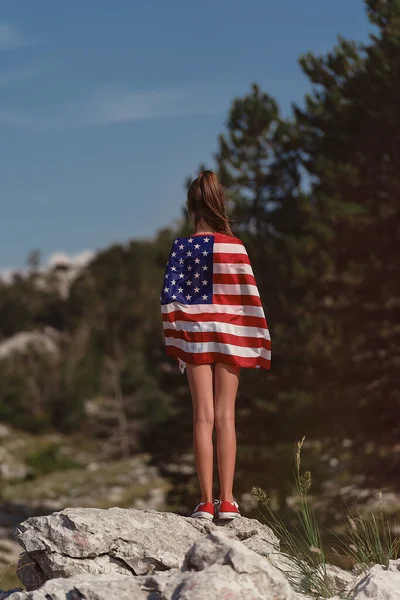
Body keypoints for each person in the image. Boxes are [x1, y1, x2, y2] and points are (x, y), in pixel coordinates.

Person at [160, 170, 271, 520]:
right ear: (219, 203)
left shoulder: (182, 249)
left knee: (202, 418)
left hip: (195, 338)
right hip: (230, 335)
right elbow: (248, 299)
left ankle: (205, 502)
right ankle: (228, 501)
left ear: (191, 207)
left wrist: (178, 341)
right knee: (226, 417)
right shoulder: (235, 247)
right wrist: (257, 341)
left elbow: (169, 302)